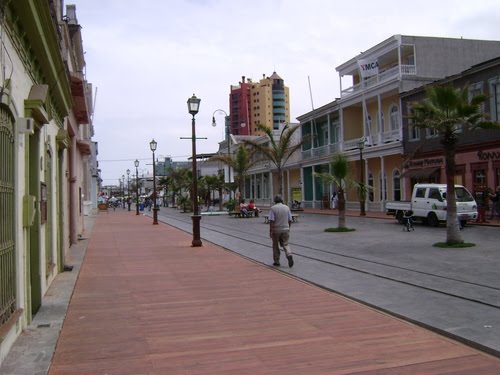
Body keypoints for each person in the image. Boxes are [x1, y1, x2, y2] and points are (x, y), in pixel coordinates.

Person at [268, 195, 294, 267]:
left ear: (274, 201)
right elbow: (290, 220)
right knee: (285, 244)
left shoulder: (273, 208)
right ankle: (289, 254)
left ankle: (277, 261)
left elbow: (271, 221)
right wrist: (288, 228)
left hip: (276, 230)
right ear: (281, 200)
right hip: (285, 229)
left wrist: (271, 230)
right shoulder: (287, 208)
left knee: (275, 246)